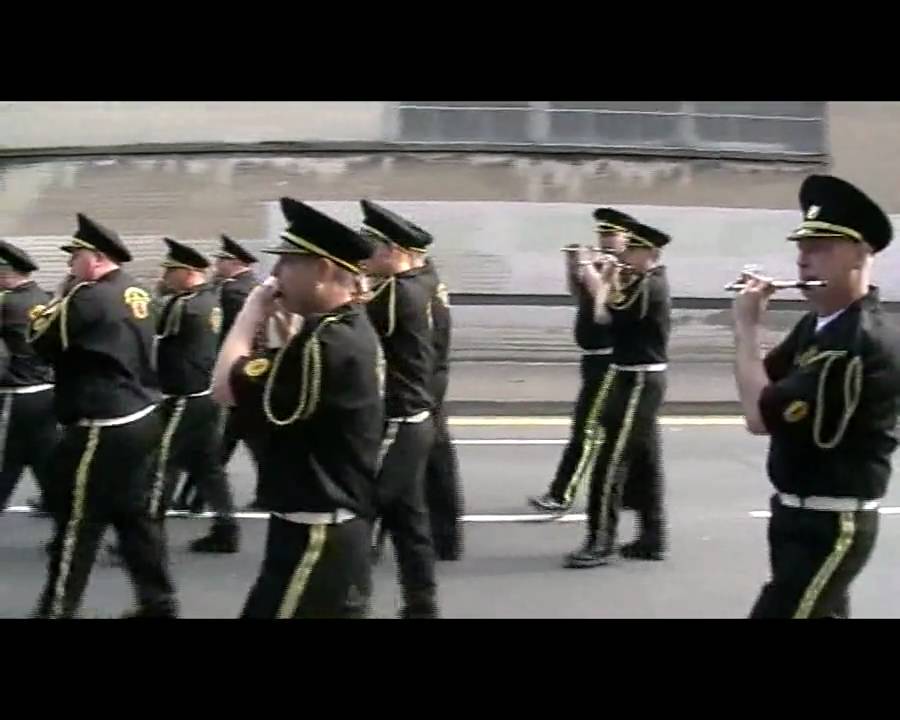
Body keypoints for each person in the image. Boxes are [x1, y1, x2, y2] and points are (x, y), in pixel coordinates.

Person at [733, 174, 900, 619]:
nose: (803, 260)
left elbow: (758, 416)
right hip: (796, 514)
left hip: (830, 526)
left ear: (860, 255)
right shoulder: (818, 325)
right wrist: (753, 340)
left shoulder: (855, 341)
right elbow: (762, 381)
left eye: (821, 248)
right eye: (802, 247)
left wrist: (747, 327)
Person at [213, 197, 383, 618]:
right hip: (331, 525)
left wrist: (251, 312)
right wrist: (286, 324)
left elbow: (224, 386)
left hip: (316, 533)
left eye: (288, 263)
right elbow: (296, 376)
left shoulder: (322, 344)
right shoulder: (344, 329)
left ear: (322, 270)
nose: (276, 275)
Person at [29, 213, 176, 618]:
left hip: (103, 423)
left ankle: (57, 609)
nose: (69, 264)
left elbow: (40, 339)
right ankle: (159, 603)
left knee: (78, 520)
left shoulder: (88, 296)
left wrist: (61, 296)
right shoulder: (136, 290)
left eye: (75, 256)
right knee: (133, 516)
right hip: (141, 413)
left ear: (95, 258)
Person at [564, 217, 672, 569]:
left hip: (640, 379)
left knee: (610, 461)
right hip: (632, 376)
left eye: (633, 250)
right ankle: (653, 537)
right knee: (645, 461)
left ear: (651, 254)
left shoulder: (648, 285)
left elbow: (603, 316)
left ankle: (600, 541)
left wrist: (604, 277)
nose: (626, 255)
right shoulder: (641, 281)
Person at [359, 199, 440, 618]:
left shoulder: (394, 293)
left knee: (358, 515)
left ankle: (347, 604)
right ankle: (421, 606)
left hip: (398, 419)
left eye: (369, 248)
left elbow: (350, 323)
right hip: (413, 418)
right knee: (409, 522)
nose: (363, 257)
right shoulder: (418, 283)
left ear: (392, 251)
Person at [529, 208, 638, 515]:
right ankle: (630, 491)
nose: (604, 240)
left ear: (627, 238)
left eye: (611, 235)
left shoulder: (626, 270)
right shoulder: (604, 264)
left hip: (609, 359)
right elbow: (581, 297)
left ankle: (561, 493)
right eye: (602, 234)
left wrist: (588, 267)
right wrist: (572, 266)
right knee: (616, 431)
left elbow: (605, 306)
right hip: (592, 359)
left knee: (586, 428)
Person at [149, 237, 240, 553]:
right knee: (207, 466)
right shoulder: (210, 299)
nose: (164, 277)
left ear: (188, 273)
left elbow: (154, 328)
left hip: (182, 396)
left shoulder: (182, 305)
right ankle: (226, 528)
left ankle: (147, 537)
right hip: (205, 393)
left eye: (170, 271)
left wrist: (157, 295)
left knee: (161, 463)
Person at [0, 241, 58, 512]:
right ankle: (58, 508)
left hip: (16, 393)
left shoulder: (6, 302)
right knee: (44, 456)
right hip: (45, 390)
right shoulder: (43, 297)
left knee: (5, 457)